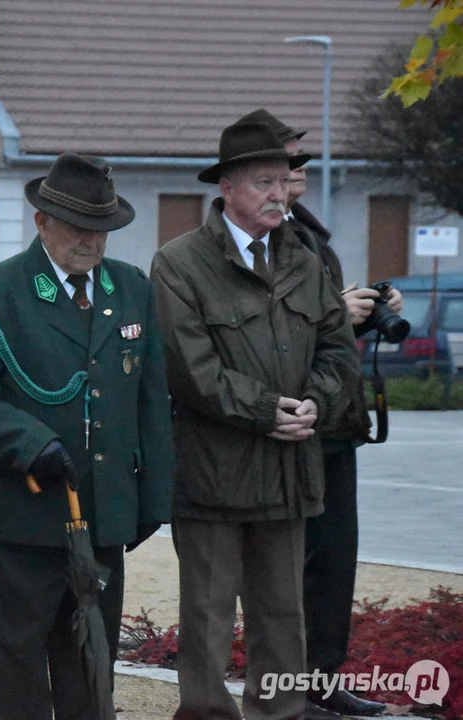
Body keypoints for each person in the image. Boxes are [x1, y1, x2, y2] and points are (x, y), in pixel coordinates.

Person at [0, 152, 175, 720]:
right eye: (78, 226)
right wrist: (29, 445)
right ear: (42, 221)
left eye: (102, 228)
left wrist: (152, 501)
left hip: (103, 514)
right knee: (16, 662)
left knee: (90, 661)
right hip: (24, 512)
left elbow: (151, 399)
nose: (91, 241)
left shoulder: (132, 288)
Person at [150, 120, 360, 720]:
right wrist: (268, 410)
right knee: (208, 616)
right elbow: (189, 371)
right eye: (264, 181)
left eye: (283, 180)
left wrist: (316, 403)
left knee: (282, 614)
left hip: (289, 470)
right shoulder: (179, 264)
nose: (280, 192)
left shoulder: (304, 258)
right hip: (213, 477)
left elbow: (338, 351)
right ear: (229, 189)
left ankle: (281, 714)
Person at [240, 108, 400, 719]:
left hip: (333, 423)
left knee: (333, 562)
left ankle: (323, 680)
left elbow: (321, 325)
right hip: (289, 424)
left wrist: (363, 307)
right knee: (290, 570)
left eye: (299, 163)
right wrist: (338, 309)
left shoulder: (311, 235)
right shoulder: (260, 239)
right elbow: (261, 328)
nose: (295, 173)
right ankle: (289, 690)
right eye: (284, 164)